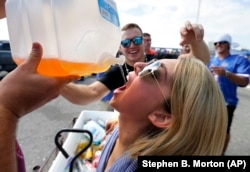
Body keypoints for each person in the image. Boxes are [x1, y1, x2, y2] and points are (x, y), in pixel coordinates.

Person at [96, 56, 228, 171]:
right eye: (151, 63)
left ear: (162, 117)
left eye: (152, 71)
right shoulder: (118, 132)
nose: (138, 65)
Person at [61, 21, 210, 106]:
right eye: (125, 43)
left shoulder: (159, 60)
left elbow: (199, 61)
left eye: (137, 40)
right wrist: (56, 84)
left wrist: (195, 41)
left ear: (144, 42)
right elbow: (90, 93)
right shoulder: (117, 72)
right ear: (119, 48)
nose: (132, 45)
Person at [208, 33, 250, 155]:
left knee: (223, 131)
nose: (218, 45)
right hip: (208, 101)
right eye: (216, 43)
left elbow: (244, 82)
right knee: (207, 128)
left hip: (226, 102)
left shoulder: (238, 60)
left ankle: (221, 154)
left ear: (228, 45)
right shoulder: (211, 60)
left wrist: (226, 73)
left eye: (222, 42)